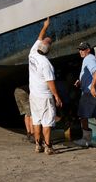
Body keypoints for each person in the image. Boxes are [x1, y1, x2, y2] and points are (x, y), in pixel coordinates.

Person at [28, 18, 62, 155]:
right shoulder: (46, 64)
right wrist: (57, 96)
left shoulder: (32, 54)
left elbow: (39, 38)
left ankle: (38, 145)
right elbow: (50, 82)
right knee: (47, 122)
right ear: (48, 51)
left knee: (36, 120)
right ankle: (48, 146)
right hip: (45, 96)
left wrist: (45, 27)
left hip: (34, 95)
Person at [74, 41, 96, 148]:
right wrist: (80, 81)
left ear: (88, 50)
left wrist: (92, 87)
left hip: (89, 92)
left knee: (83, 115)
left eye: (83, 49)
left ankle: (86, 140)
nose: (80, 51)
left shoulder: (89, 58)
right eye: (79, 49)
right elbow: (90, 74)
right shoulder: (91, 58)